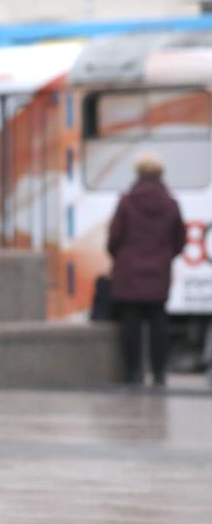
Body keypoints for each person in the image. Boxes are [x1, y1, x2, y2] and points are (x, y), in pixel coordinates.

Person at [107, 153, 185, 387]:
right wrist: (164, 257)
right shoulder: (171, 203)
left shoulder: (126, 201)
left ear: (137, 173)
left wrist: (121, 258)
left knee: (130, 323)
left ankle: (134, 373)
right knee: (158, 320)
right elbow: (180, 240)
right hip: (158, 271)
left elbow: (113, 238)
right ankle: (159, 374)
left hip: (129, 271)